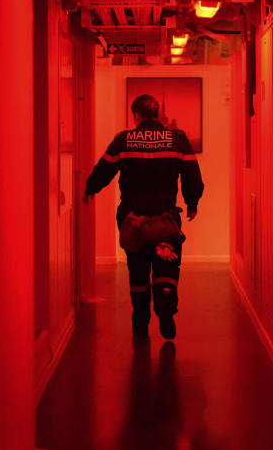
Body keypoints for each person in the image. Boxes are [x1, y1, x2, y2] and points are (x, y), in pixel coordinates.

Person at [82, 94, 204, 339]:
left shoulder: (124, 140)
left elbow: (104, 170)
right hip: (165, 219)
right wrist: (192, 202)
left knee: (137, 268)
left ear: (135, 115)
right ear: (157, 115)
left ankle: (140, 321)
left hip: (132, 219)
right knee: (167, 262)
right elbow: (192, 174)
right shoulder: (177, 139)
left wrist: (90, 189)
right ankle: (165, 304)